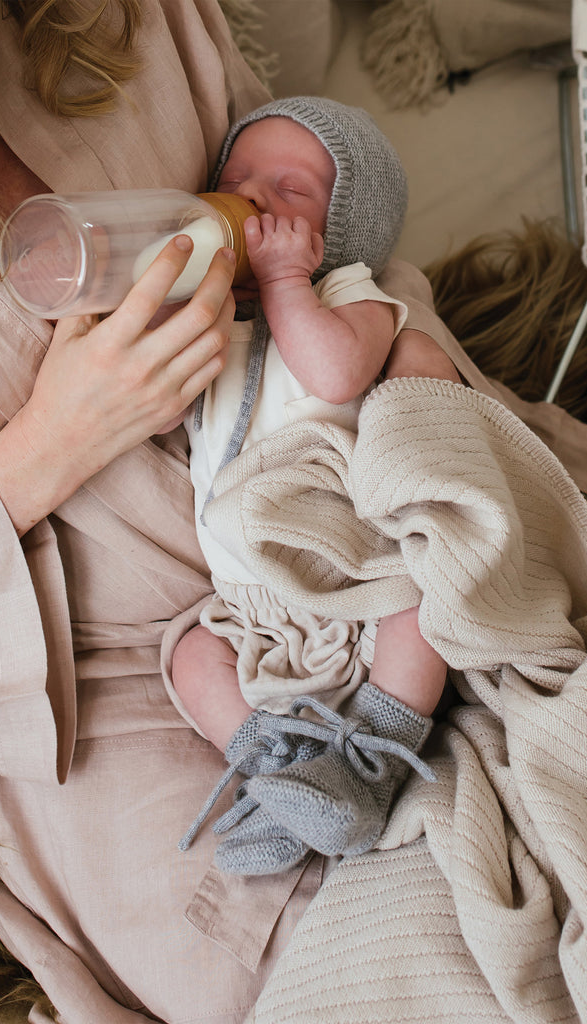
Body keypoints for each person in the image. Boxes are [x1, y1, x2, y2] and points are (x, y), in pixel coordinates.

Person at [0, 2, 472, 1021]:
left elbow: (316, 206)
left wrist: (397, 369)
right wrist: (44, 451)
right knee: (372, 967)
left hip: (341, 485)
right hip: (83, 659)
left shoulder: (103, 15)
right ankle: (287, 773)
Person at [167, 97, 460, 876]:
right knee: (191, 659)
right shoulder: (211, 314)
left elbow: (336, 371)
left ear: (344, 232)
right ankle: (280, 773)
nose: (256, 196)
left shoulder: (349, 296)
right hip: (250, 602)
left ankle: (374, 759)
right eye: (238, 178)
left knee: (422, 607)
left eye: (292, 191)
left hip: (354, 577)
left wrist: (289, 279)